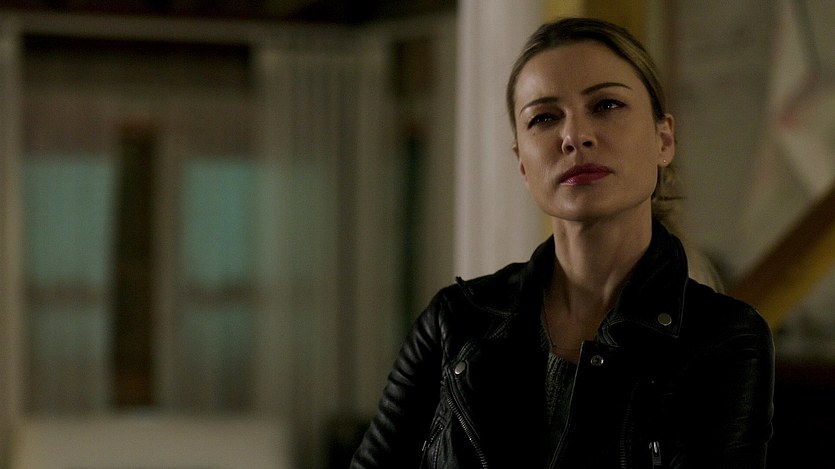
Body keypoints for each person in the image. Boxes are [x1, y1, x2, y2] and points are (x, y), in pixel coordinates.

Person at [351, 17, 774, 468]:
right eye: (545, 118)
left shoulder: (725, 337)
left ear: (663, 139)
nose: (574, 136)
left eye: (606, 105)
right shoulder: (454, 321)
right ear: (522, 163)